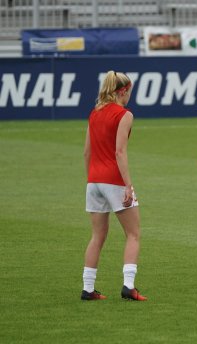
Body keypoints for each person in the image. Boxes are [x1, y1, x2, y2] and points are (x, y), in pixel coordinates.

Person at [81, 71, 147, 301]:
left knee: (97, 236)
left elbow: (87, 152)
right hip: (114, 181)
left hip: (94, 181)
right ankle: (128, 286)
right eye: (129, 92)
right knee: (133, 233)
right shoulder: (124, 114)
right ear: (123, 91)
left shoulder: (94, 112)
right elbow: (119, 152)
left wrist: (91, 179)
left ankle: (88, 288)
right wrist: (128, 185)